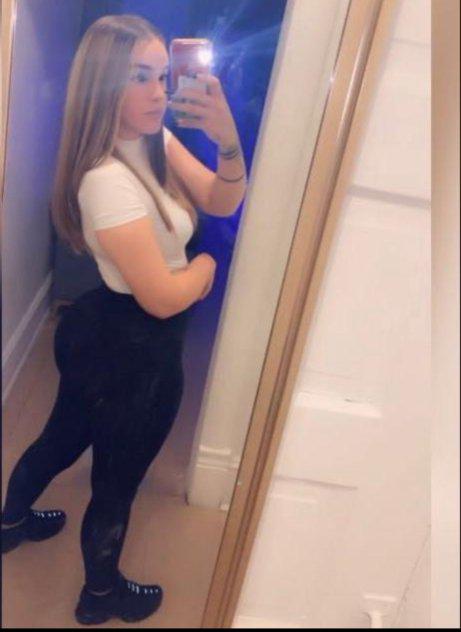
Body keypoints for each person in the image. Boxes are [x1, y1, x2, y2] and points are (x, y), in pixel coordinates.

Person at [1, 14, 247, 625]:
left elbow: (221, 197)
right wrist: (206, 266)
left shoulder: (154, 139)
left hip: (101, 328)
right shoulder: (106, 180)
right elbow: (163, 297)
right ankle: (100, 596)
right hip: (133, 348)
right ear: (102, 83)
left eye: (162, 76)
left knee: (63, 437)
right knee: (115, 480)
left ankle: (10, 523)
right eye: (139, 77)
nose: (158, 92)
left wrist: (227, 140)